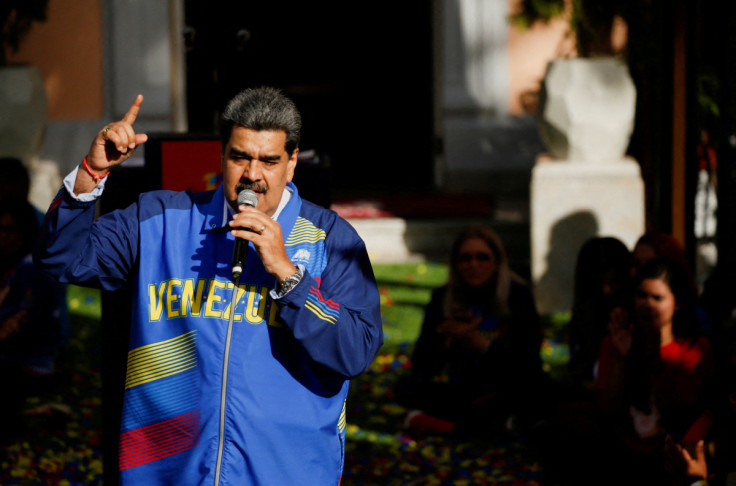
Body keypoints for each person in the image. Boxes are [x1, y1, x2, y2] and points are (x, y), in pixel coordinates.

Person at [33, 87, 383, 485]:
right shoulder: (160, 219)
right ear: (221, 156)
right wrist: (91, 175)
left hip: (287, 471)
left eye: (269, 160)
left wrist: (290, 278)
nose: (253, 174)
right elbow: (61, 259)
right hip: (168, 471)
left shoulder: (329, 238)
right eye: (240, 157)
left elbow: (356, 351)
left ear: (291, 164)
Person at [395, 225, 543, 438]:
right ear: (456, 264)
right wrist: (448, 340)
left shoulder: (518, 297)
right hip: (462, 387)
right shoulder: (442, 298)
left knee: (532, 391)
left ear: (497, 262)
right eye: (466, 258)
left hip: (506, 385)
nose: (474, 264)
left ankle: (448, 426)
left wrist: (479, 343)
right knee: (408, 387)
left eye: (482, 257)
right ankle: (499, 426)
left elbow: (526, 361)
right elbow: (422, 365)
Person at [595, 258, 715, 483]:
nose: (647, 305)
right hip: (623, 451)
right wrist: (621, 358)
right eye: (641, 296)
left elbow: (680, 416)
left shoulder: (694, 349)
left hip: (672, 457)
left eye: (657, 298)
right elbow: (607, 410)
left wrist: (654, 359)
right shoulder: (617, 341)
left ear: (676, 302)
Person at [0, 198, 68, 441]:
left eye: (10, 230)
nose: (4, 237)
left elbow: (18, 323)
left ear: (25, 232)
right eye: (0, 229)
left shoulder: (32, 266)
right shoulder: (16, 264)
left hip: (27, 359)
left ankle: (25, 418)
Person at [566, 236, 631, 390]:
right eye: (598, 284)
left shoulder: (634, 321)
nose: (606, 291)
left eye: (613, 283)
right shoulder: (584, 319)